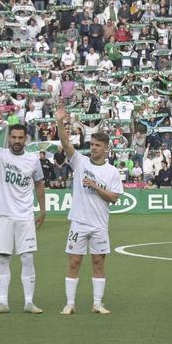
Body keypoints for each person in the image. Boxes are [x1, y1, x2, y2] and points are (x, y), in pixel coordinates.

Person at [57, 110, 123, 315]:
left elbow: (113, 198)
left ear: (106, 148)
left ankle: (97, 303)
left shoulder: (112, 172)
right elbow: (66, 144)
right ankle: (70, 303)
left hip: (99, 224)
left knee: (98, 262)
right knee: (74, 261)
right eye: (92, 144)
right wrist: (60, 122)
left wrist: (96, 187)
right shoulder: (80, 162)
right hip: (78, 221)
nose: (93, 148)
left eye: (97, 145)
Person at [0, 115, 47, 315]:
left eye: (20, 138)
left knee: (27, 258)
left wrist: (43, 209)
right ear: (8, 138)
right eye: (14, 137)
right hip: (3, 215)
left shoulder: (33, 159)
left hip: (25, 216)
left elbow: (39, 184)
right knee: (3, 258)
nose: (17, 141)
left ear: (25, 139)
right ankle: (3, 302)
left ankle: (29, 302)